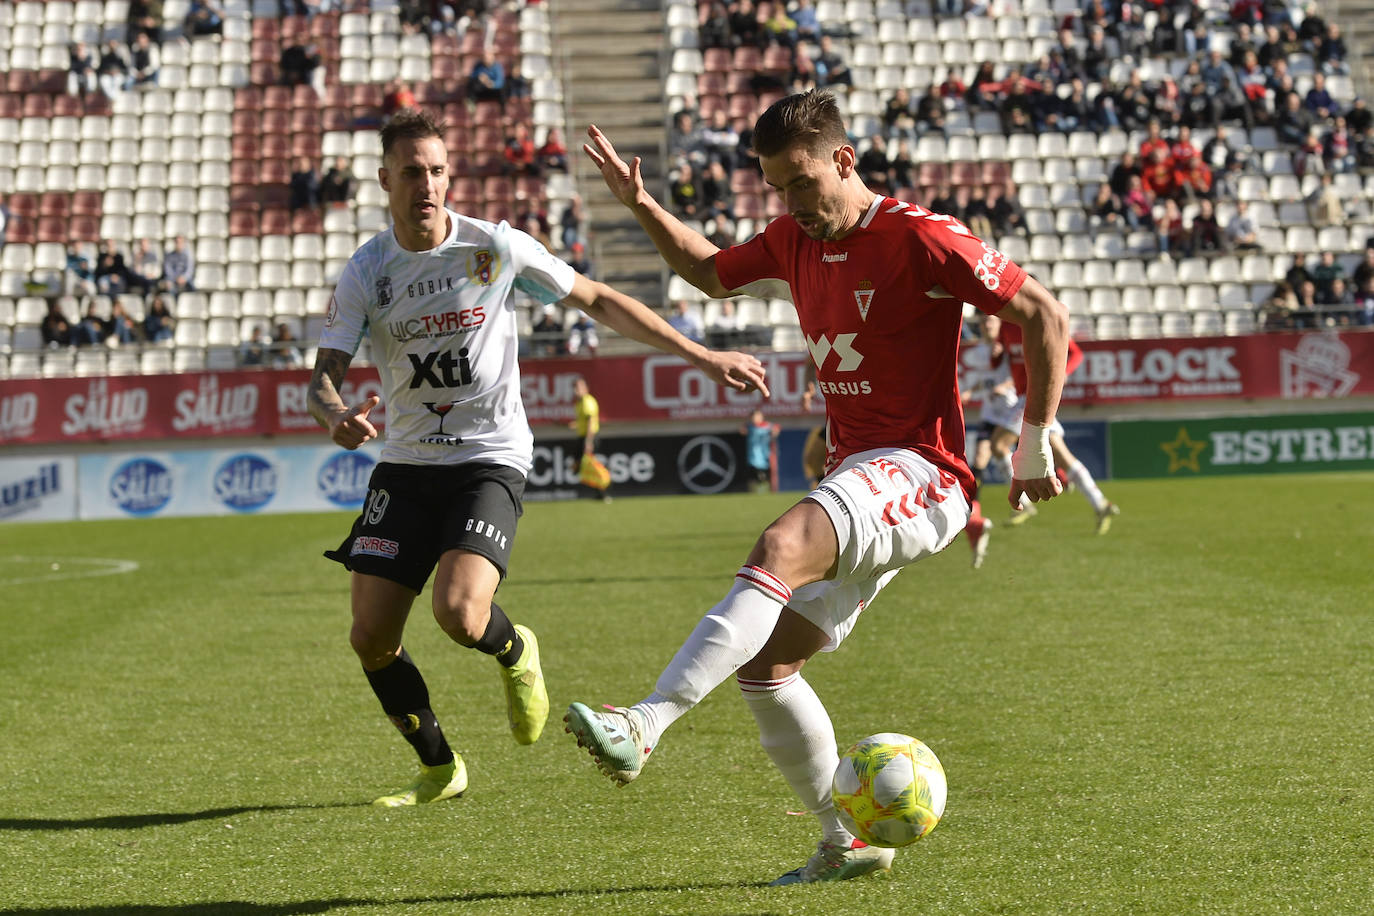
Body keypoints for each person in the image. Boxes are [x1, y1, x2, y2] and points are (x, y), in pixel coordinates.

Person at [568, 91, 1068, 884]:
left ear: (844, 160)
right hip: (860, 473)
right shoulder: (790, 240)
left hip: (923, 471)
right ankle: (849, 840)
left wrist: (1036, 440)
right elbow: (706, 272)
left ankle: (645, 721)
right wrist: (640, 205)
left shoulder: (919, 237)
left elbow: (1042, 313)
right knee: (766, 666)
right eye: (775, 188)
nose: (791, 204)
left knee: (780, 544)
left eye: (802, 182)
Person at [306, 108, 766, 807]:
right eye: (409, 173)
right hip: (404, 464)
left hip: (487, 458)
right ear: (384, 181)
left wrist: (702, 356)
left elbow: (599, 299)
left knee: (460, 615)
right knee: (370, 636)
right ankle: (439, 767)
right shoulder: (366, 271)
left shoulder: (495, 248)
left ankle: (515, 650)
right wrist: (337, 414)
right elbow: (323, 376)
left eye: (435, 170)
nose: (424, 185)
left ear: (449, 175)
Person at [988, 313, 1120, 534]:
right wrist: (996, 354)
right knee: (1062, 455)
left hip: (1035, 395)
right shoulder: (1006, 327)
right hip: (1024, 395)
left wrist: (1064, 372)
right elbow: (1001, 359)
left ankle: (1024, 506)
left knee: (998, 446)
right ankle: (1101, 503)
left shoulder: (1042, 320)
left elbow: (1076, 353)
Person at [570, 376, 610, 501]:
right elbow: (583, 421)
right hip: (583, 437)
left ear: (586, 388)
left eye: (579, 387)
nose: (576, 390)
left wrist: (588, 442)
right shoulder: (579, 403)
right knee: (581, 465)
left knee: (590, 465)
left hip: (589, 437)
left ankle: (604, 488)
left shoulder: (587, 402)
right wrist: (575, 424)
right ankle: (599, 491)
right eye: (575, 388)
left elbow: (590, 422)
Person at [741, 408, 780, 492]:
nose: (754, 419)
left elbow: (776, 429)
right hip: (752, 458)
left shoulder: (767, 426)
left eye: (757, 417)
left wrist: (773, 433)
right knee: (752, 478)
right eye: (753, 417)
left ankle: (769, 492)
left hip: (765, 457)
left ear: (761, 417)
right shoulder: (750, 427)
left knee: (766, 477)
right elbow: (742, 430)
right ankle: (753, 493)